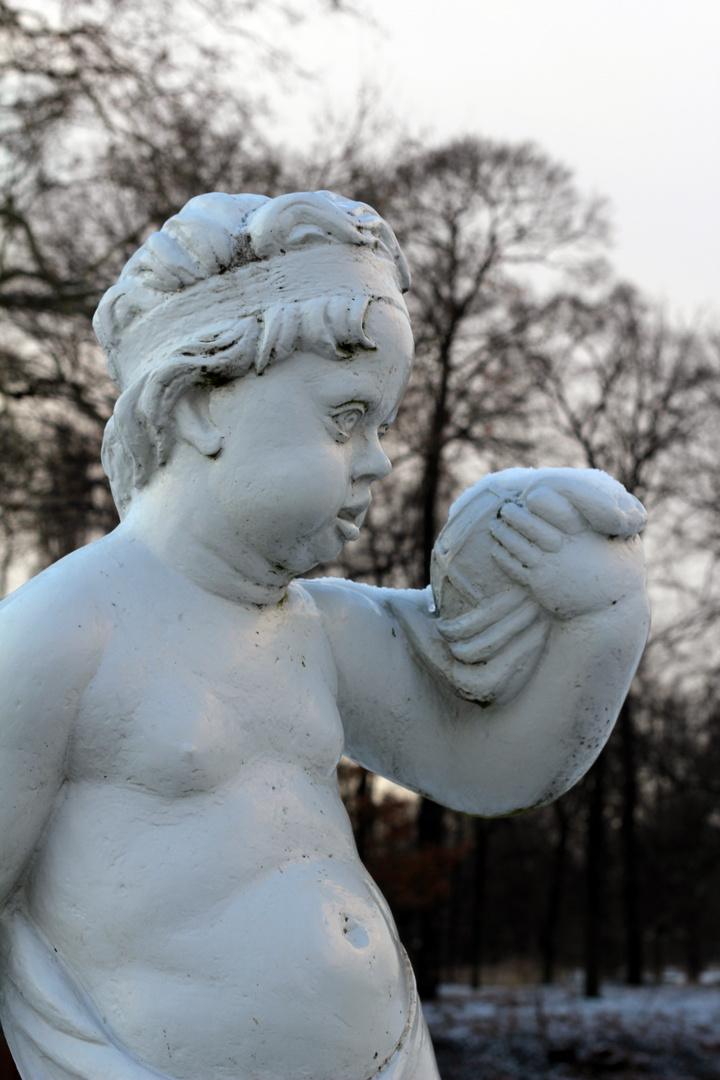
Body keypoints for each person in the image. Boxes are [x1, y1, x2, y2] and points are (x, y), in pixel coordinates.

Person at [0, 191, 650, 1080]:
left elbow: (489, 765)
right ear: (201, 403)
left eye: (383, 426)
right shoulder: (60, 632)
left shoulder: (325, 629)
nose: (380, 458)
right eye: (347, 418)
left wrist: (600, 624)